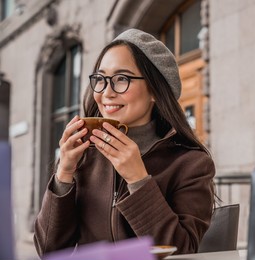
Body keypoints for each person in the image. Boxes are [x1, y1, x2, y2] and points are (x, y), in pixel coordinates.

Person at [33, 28, 216, 257]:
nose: (106, 92)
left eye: (122, 79)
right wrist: (64, 173)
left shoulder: (192, 164)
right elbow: (49, 252)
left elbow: (181, 252)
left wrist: (138, 179)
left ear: (155, 91)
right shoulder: (84, 156)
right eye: (100, 79)